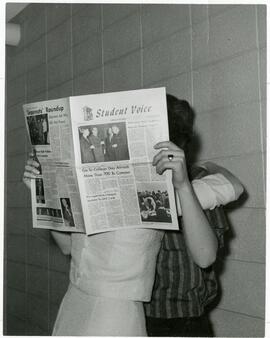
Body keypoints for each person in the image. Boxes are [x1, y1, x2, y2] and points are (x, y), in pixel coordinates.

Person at [22, 94, 243, 336]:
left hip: (115, 316)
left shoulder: (162, 190)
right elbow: (67, 246)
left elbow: (206, 255)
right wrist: (40, 190)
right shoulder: (91, 182)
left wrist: (185, 183)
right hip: (75, 301)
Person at [145, 95, 243, 337]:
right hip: (138, 317)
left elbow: (206, 257)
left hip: (186, 322)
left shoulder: (200, 185)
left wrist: (186, 185)